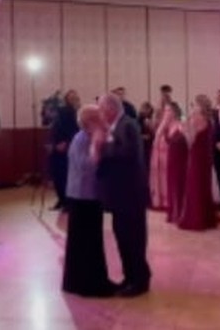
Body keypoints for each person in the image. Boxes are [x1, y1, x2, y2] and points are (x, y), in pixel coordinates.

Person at [96, 94, 151, 297]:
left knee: (134, 238)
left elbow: (128, 152)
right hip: (119, 194)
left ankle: (140, 280)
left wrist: (102, 146)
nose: (100, 113)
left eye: (101, 109)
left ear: (111, 108)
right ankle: (129, 277)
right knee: (122, 237)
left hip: (130, 193)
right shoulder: (115, 126)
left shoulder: (128, 125)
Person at [61, 105, 116, 297]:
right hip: (82, 197)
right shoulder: (81, 139)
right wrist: (97, 147)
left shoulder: (85, 137)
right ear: (89, 121)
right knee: (85, 243)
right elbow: (86, 167)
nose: (102, 119)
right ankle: (88, 285)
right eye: (98, 117)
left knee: (89, 242)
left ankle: (90, 281)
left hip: (87, 196)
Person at [179, 95, 217, 231]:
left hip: (196, 156)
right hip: (206, 156)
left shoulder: (197, 119)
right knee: (203, 185)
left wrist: (184, 128)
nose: (192, 107)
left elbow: (190, 141)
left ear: (199, 106)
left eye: (194, 105)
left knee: (195, 186)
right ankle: (206, 218)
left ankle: (196, 219)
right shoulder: (209, 119)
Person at [49, 90, 80, 211]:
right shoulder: (61, 111)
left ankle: (68, 202)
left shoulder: (78, 113)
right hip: (56, 146)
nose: (73, 99)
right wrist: (53, 143)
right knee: (57, 176)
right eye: (70, 97)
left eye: (75, 97)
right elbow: (55, 128)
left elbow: (76, 130)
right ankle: (61, 199)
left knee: (66, 176)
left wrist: (66, 143)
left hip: (69, 147)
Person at [163, 103, 188, 224]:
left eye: (168, 110)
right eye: (165, 110)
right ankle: (173, 212)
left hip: (181, 159)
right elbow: (159, 137)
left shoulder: (181, 123)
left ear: (174, 112)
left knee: (179, 185)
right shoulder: (167, 126)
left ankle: (181, 213)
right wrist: (163, 124)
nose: (166, 113)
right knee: (171, 184)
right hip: (171, 159)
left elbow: (189, 140)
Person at [137, 102, 155, 174]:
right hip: (143, 146)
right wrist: (144, 137)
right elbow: (137, 133)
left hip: (149, 145)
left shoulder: (149, 119)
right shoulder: (139, 120)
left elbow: (152, 133)